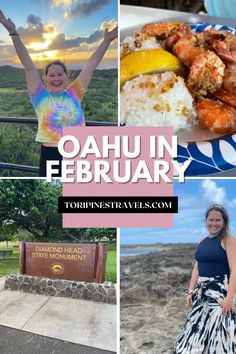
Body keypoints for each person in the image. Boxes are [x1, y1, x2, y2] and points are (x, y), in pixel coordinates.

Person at [0, 10, 118, 176]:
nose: (56, 78)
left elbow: (91, 65)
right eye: (52, 75)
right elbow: (28, 66)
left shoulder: (75, 93)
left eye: (59, 74)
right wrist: (12, 32)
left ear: (67, 76)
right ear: (46, 78)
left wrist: (106, 40)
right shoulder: (39, 96)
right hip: (51, 156)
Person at [174, 204, 236, 354]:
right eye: (211, 220)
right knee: (195, 329)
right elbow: (197, 268)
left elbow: (235, 269)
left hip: (221, 292)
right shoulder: (202, 241)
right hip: (202, 293)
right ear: (205, 221)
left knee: (222, 333)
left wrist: (229, 299)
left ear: (224, 222)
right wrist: (190, 291)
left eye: (218, 220)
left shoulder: (228, 240)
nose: (214, 224)